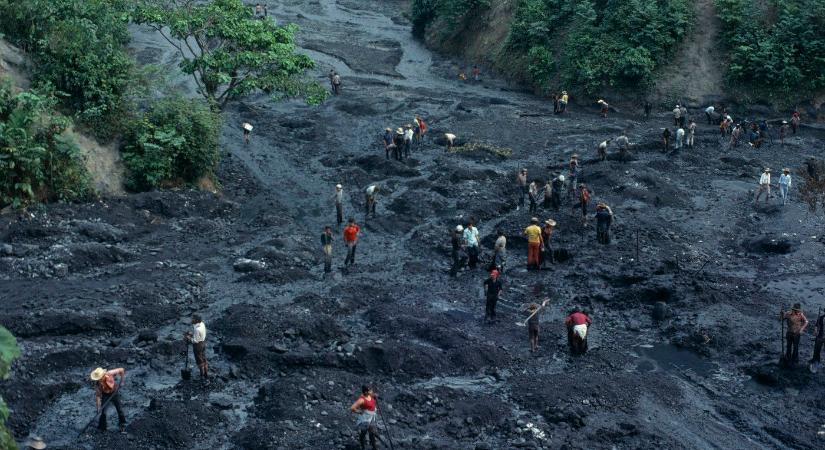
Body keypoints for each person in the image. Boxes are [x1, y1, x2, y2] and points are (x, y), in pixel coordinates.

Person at [90, 367, 126, 433]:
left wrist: (122, 381)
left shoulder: (109, 373)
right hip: (105, 395)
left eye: (99, 378)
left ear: (102, 375)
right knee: (103, 412)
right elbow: (98, 396)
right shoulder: (98, 384)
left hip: (114, 393)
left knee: (120, 410)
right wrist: (98, 408)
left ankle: (122, 424)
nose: (99, 379)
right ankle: (102, 427)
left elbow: (122, 370)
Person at [350, 386, 379, 450]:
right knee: (364, 432)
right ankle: (362, 446)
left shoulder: (370, 395)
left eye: (371, 390)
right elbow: (352, 408)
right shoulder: (361, 400)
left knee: (372, 432)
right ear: (365, 392)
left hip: (371, 417)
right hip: (365, 418)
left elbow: (374, 395)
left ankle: (374, 447)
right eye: (369, 390)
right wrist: (359, 412)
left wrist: (375, 396)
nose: (371, 391)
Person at [185, 315, 208, 381]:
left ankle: (202, 376)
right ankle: (206, 374)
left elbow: (195, 341)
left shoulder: (197, 329)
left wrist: (189, 338)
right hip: (203, 343)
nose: (191, 320)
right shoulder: (202, 324)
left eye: (193, 319)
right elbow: (200, 335)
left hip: (198, 346)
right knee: (204, 359)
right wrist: (193, 334)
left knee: (199, 361)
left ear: (196, 320)